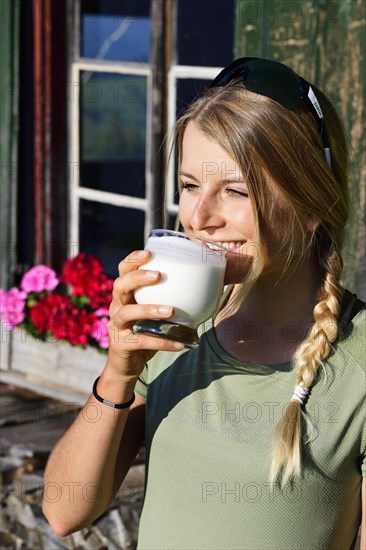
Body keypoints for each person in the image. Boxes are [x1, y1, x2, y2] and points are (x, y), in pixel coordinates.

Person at [42, 58, 365, 550]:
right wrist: (119, 371)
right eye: (190, 185)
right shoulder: (179, 328)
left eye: (235, 191)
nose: (197, 216)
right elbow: (66, 512)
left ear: (312, 202)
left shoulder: (356, 365)